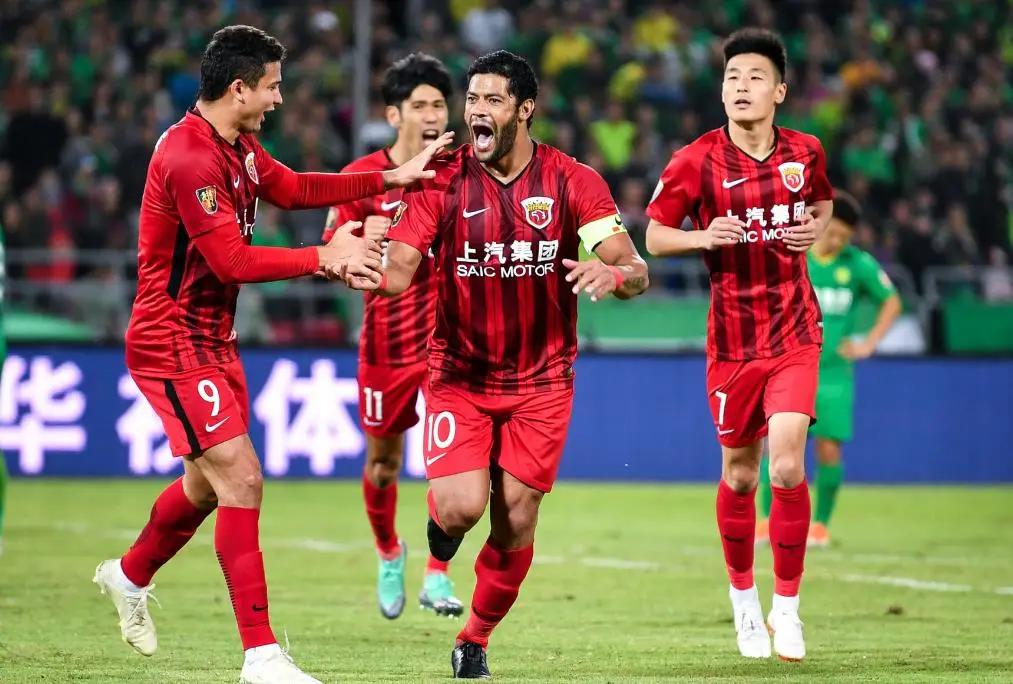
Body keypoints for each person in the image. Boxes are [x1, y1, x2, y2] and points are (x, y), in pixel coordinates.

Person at [92, 25, 450, 684]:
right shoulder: (189, 157)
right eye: (272, 86)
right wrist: (323, 256)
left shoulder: (239, 146)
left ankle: (129, 574)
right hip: (172, 342)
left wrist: (393, 175)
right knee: (242, 479)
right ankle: (260, 656)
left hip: (214, 339)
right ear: (239, 89)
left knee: (204, 486)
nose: (279, 99)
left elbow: (290, 188)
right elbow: (230, 260)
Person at [345, 50, 649, 679]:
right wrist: (350, 263)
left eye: (492, 101)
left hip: (542, 381)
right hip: (460, 375)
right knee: (460, 508)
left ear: (524, 110)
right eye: (472, 100)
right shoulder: (443, 179)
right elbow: (399, 271)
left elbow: (634, 266)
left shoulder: (572, 181)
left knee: (516, 520)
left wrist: (615, 274)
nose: (476, 111)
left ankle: (474, 639)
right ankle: (439, 532)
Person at [645, 28, 833, 662]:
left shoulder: (806, 151)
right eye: (732, 77)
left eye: (755, 77)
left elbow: (823, 203)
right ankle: (744, 599)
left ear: (779, 91)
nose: (741, 87)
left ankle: (788, 607)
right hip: (732, 342)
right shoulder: (695, 160)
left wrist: (814, 230)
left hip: (795, 332)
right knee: (741, 473)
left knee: (787, 466)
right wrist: (703, 238)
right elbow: (655, 235)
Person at [323, 53, 463, 620]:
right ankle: (388, 553)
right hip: (385, 344)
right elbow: (330, 257)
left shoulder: (462, 173)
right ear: (393, 114)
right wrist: (366, 245)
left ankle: (437, 574)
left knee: (452, 464)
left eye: (439, 105)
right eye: (420, 105)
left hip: (451, 344)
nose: (432, 116)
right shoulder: (361, 177)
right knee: (384, 463)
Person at [756, 190, 901, 548]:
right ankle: (767, 521)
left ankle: (819, 525)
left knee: (829, 448)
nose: (836, 240)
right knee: (778, 446)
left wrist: (868, 343)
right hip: (788, 365)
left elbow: (892, 302)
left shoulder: (857, 264)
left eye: (844, 236)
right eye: (832, 231)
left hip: (832, 372)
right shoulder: (791, 251)